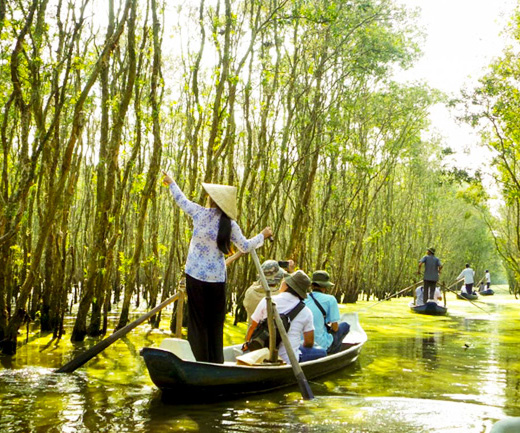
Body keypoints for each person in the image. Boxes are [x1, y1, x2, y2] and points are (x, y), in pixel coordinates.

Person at [162, 173, 272, 363]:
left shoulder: (200, 213)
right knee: (215, 323)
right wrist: (262, 235)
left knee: (198, 322)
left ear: (211, 200)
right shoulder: (230, 224)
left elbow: (181, 200)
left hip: (195, 277)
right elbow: (245, 247)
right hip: (216, 280)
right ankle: (215, 362)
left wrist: (172, 182)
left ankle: (198, 361)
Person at [245, 270, 327, 364]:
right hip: (289, 360)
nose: (282, 282)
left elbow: (252, 327)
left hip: (262, 357)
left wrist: (247, 345)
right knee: (322, 352)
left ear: (287, 285)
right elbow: (309, 342)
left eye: (284, 281)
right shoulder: (306, 312)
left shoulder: (266, 301)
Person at [304, 271, 350, 354]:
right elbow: (335, 328)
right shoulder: (330, 299)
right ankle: (334, 351)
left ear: (312, 285)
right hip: (321, 345)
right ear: (325, 287)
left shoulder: (302, 297)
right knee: (345, 326)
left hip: (301, 344)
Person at [243, 259, 294, 324]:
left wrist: (267, 268)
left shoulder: (250, 292)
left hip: (252, 333)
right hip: (273, 334)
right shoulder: (279, 296)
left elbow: (257, 284)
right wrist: (291, 271)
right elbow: (295, 287)